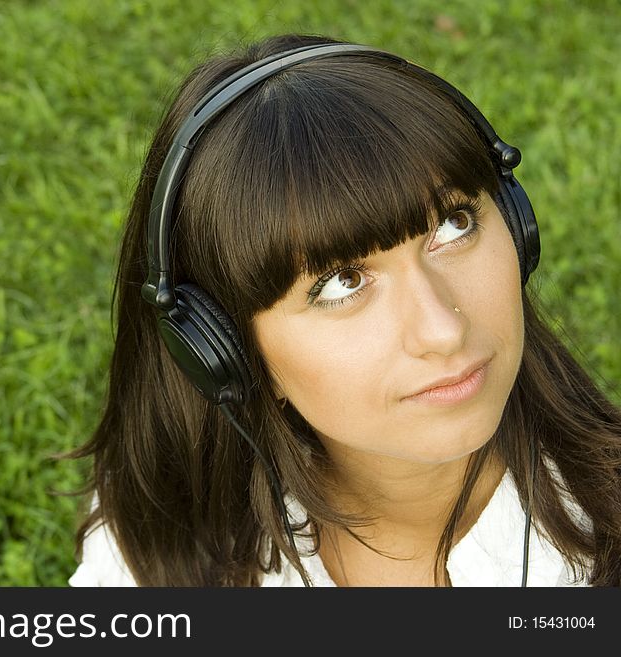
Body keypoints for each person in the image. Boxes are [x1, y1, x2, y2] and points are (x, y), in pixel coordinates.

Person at [66, 34, 621, 587]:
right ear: (221, 351)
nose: (443, 330)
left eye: (453, 225)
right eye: (342, 282)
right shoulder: (161, 537)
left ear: (516, 227)